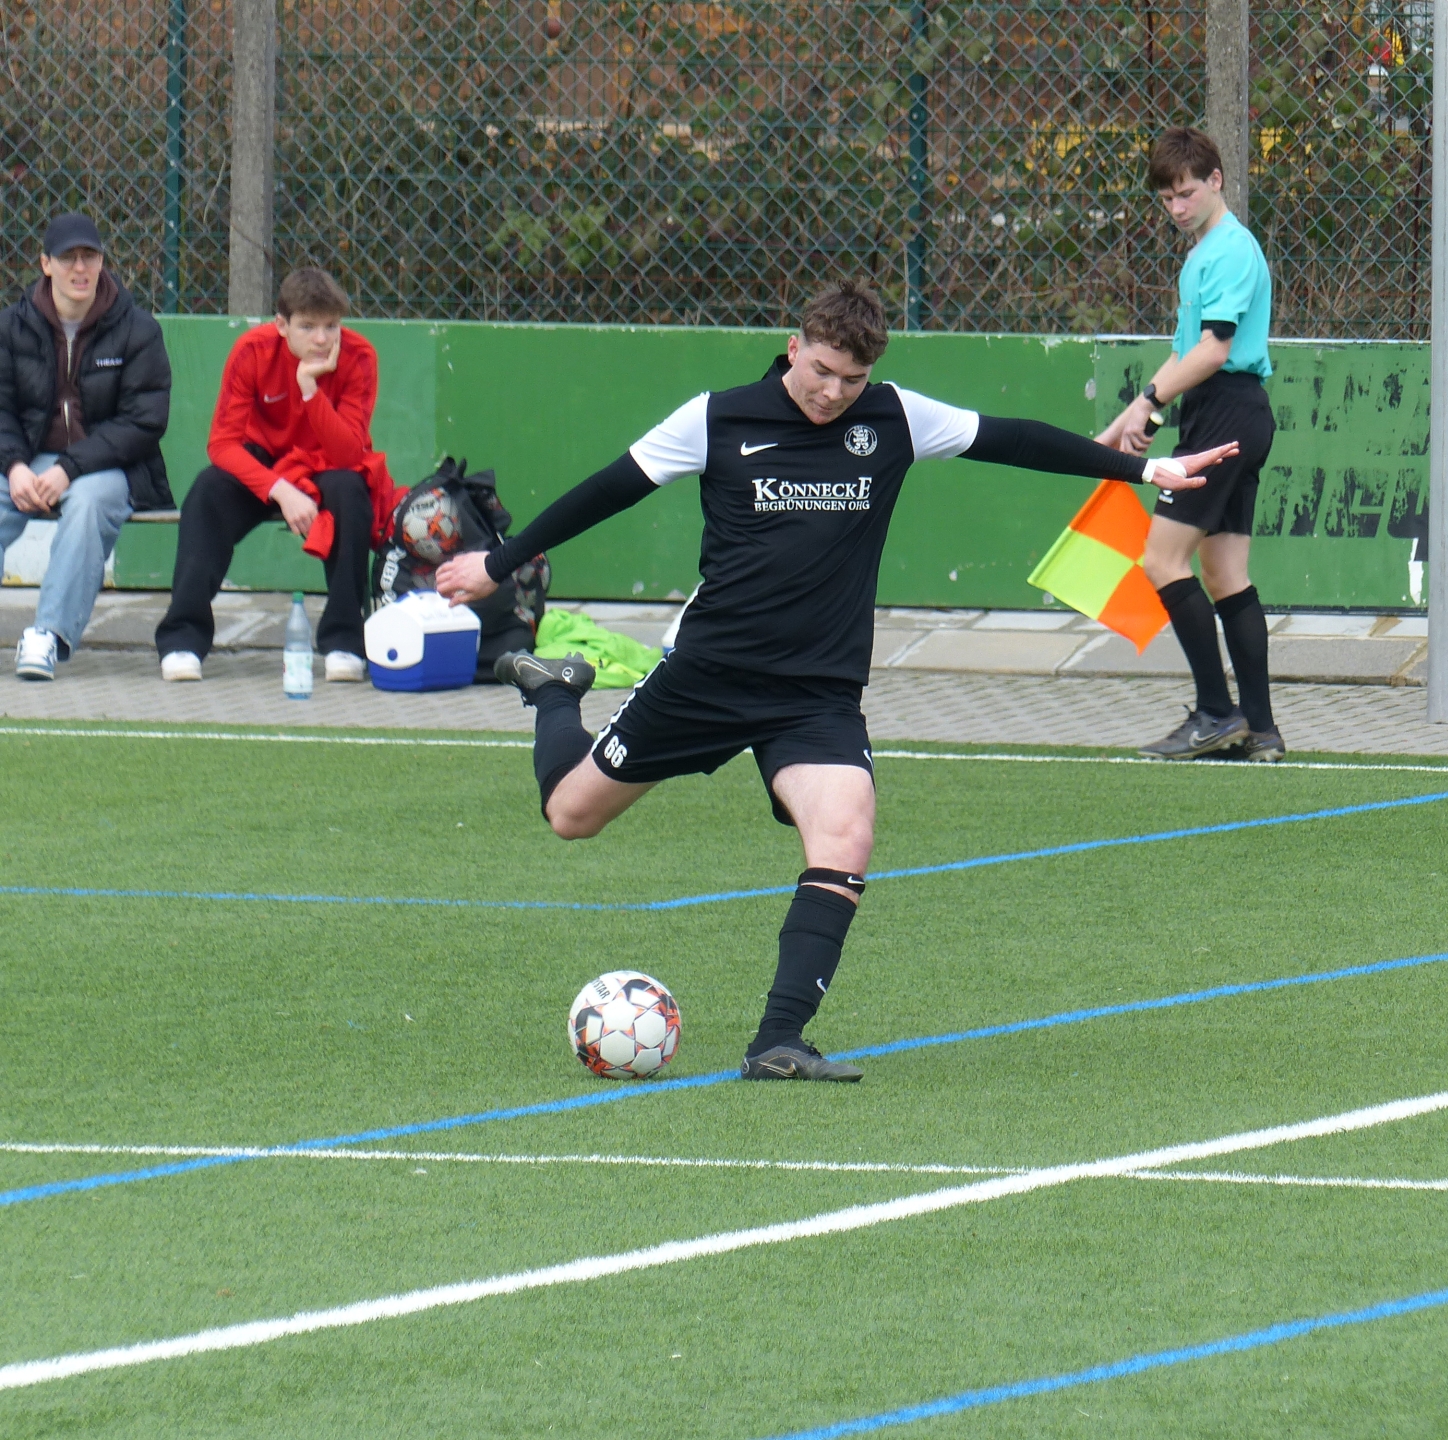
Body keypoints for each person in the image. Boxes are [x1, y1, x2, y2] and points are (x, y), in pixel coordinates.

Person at [436, 281, 1237, 1082]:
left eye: (850, 379)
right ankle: (553, 691)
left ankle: (777, 1040)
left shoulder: (891, 417)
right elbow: (609, 488)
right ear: (794, 346)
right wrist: (498, 564)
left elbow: (1014, 439)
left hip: (816, 690)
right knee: (570, 814)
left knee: (847, 833)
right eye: (821, 370)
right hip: (710, 674)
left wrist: (1145, 468)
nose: (832, 393)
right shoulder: (718, 419)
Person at [1097, 127, 1281, 761]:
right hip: (1225, 412)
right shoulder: (1207, 250)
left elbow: (1213, 349)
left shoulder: (1229, 249)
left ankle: (1214, 713)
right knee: (1225, 574)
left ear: (1217, 181)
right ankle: (1260, 729)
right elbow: (1185, 354)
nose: (1177, 207)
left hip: (1227, 412)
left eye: (1186, 193)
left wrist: (1151, 400)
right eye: (1167, 198)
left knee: (1160, 561)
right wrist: (1130, 419)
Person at [154, 266, 395, 682]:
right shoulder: (252, 350)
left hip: (327, 464)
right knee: (207, 491)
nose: (322, 339)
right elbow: (222, 444)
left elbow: (348, 453)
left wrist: (309, 389)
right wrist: (280, 490)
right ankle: (182, 640)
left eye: (331, 326)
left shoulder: (359, 356)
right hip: (265, 464)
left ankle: (344, 643)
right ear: (281, 325)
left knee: (352, 492)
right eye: (308, 327)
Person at [0, 213, 171, 680]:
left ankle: (47, 635)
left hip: (109, 467)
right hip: (27, 459)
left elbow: (144, 422)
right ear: (46, 264)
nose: (81, 269)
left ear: (101, 263)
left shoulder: (137, 329)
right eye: (68, 258)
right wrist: (15, 467)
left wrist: (69, 469)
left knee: (90, 504)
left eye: (89, 257)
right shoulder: (10, 327)